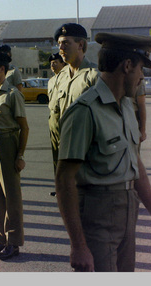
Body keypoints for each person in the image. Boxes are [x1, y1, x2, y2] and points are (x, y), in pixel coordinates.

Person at [56, 32, 151, 272]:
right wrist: (78, 245)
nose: (141, 77)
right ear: (127, 66)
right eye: (141, 69)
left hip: (128, 210)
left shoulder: (126, 106)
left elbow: (135, 163)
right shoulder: (84, 111)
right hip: (97, 214)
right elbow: (64, 179)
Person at [0, 50, 29, 260]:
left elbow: (24, 127)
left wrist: (20, 155)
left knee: (12, 197)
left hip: (8, 144)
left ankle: (14, 243)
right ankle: (0, 241)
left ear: (2, 69)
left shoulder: (12, 94)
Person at [48, 23, 99, 186]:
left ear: (81, 45)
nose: (60, 48)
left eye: (65, 43)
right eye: (59, 44)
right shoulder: (59, 77)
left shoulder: (94, 76)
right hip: (62, 149)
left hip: (85, 152)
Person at [47, 52, 66, 174]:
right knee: (55, 153)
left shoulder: (67, 78)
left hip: (63, 117)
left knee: (65, 153)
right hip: (53, 118)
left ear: (63, 63)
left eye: (55, 63)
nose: (52, 65)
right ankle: (59, 185)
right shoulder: (51, 80)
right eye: (51, 63)